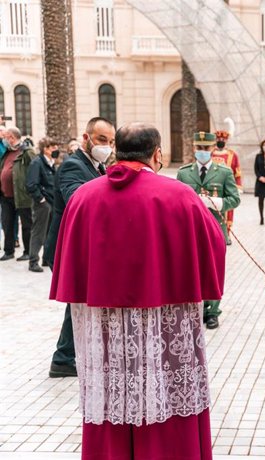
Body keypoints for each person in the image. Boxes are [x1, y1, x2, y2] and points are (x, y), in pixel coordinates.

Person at [50, 122, 224, 460]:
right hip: (164, 321)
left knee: (113, 395)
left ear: (117, 150)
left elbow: (67, 255)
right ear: (157, 154)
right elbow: (213, 248)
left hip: (107, 327)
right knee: (166, 392)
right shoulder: (180, 195)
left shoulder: (84, 197)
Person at [45, 117, 116, 378]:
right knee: (78, 301)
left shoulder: (96, 166)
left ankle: (67, 355)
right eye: (101, 140)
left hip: (80, 247)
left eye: (110, 142)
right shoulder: (74, 165)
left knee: (80, 301)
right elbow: (78, 200)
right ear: (86, 138)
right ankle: (63, 358)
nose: (106, 146)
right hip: (65, 249)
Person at [177, 131, 240, 328]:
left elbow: (235, 199)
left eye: (206, 148)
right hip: (191, 229)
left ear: (213, 148)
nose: (202, 152)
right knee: (193, 268)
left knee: (214, 269)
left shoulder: (224, 172)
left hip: (214, 227)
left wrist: (216, 203)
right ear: (194, 149)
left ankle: (213, 311)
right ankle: (198, 307)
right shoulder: (184, 172)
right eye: (199, 148)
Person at [0, 127, 35, 261]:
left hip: (22, 196)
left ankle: (28, 251)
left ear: (12, 137)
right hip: (6, 196)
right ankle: (9, 251)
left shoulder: (27, 152)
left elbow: (34, 171)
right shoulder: (8, 152)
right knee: (7, 223)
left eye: (6, 137)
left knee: (27, 225)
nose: (4, 139)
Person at [25, 137, 59, 272]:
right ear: (45, 149)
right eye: (53, 147)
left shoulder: (51, 163)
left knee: (50, 232)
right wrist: (41, 199)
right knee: (38, 232)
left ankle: (46, 258)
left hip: (51, 203)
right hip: (43, 204)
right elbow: (31, 184)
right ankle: (33, 261)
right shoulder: (37, 163)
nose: (56, 149)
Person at [211, 130, 243, 239]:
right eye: (219, 139)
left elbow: (237, 172)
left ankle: (226, 234)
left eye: (223, 140)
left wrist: (238, 187)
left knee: (228, 211)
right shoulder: (210, 153)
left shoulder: (232, 155)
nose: (221, 141)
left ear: (226, 141)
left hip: (227, 188)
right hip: (212, 188)